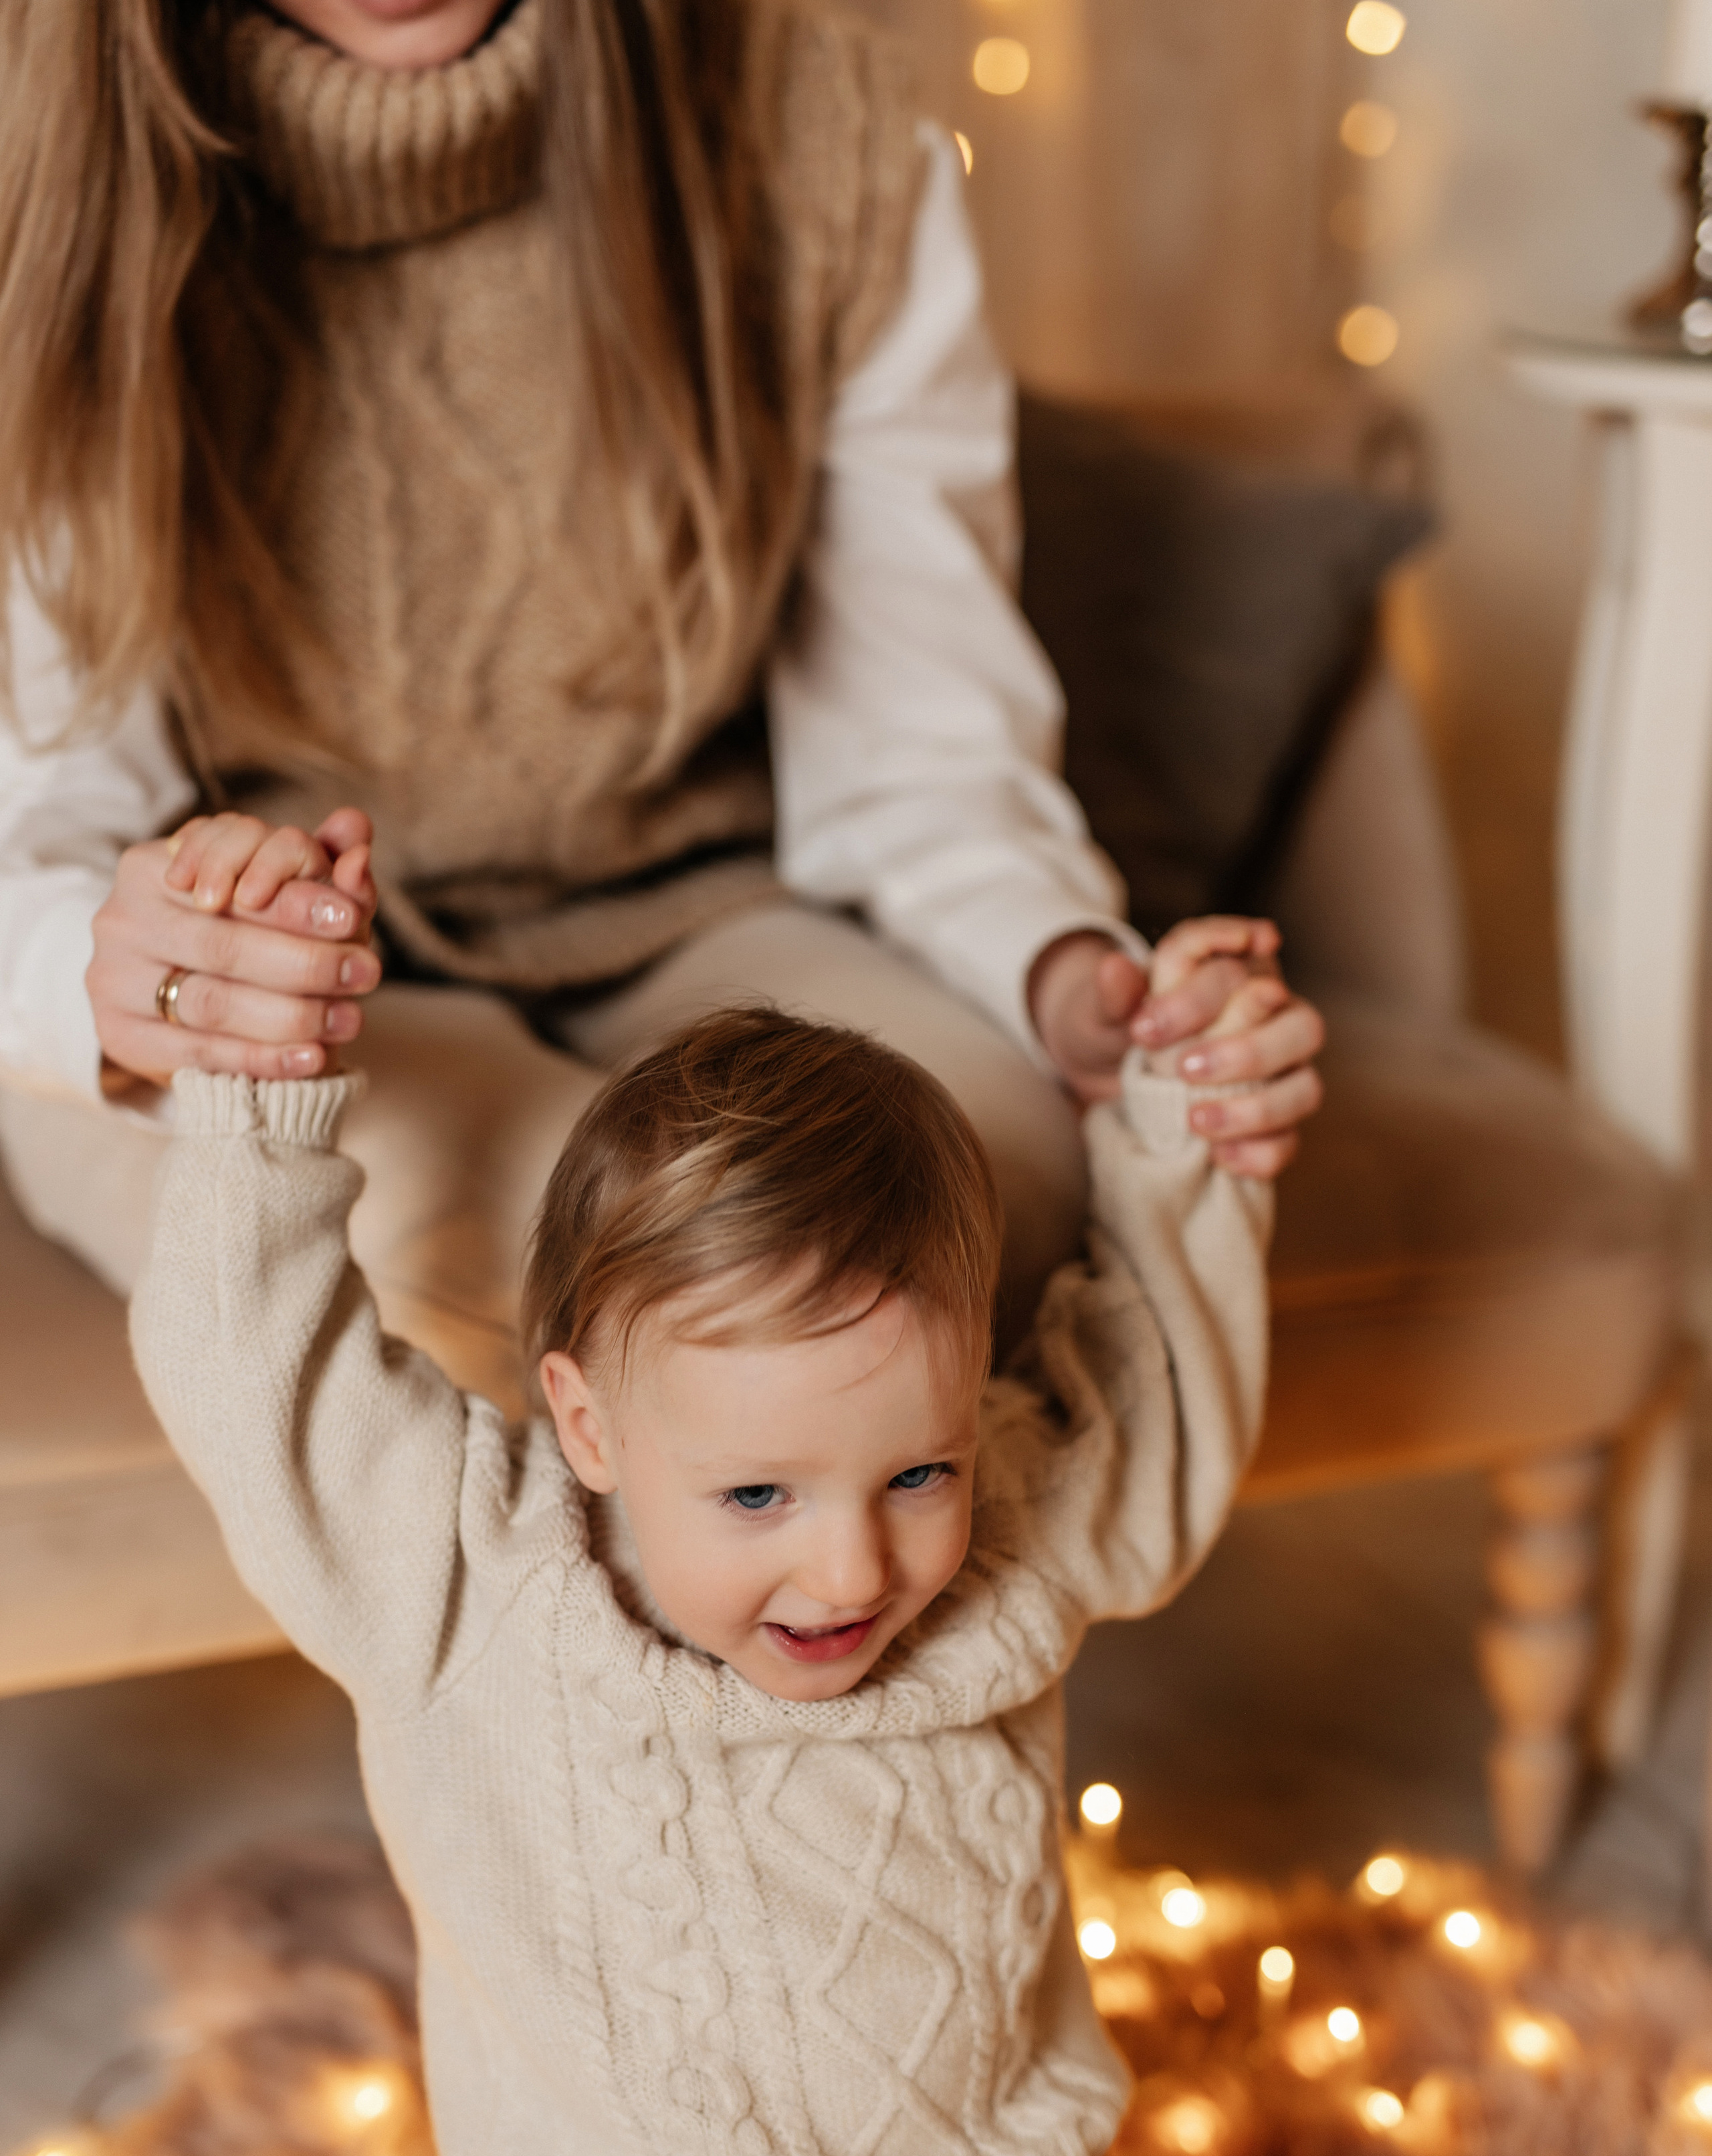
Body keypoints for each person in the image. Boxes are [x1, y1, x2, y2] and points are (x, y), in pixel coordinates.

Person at [131, 993, 1328, 2156]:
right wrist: (251, 1097)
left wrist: (1188, 1135)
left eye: (917, 1472)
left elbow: (1145, 1409)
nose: (850, 1565)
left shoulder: (1017, 1525)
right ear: (588, 1424)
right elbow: (254, 1382)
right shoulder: (465, 1580)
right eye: (755, 1492)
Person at [0, 0, 1323, 1399]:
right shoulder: (39, 143)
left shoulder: (820, 132)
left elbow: (916, 750)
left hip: (696, 908)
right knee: (623, 1282)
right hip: (249, 995)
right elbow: (39, 817)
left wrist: (1059, 980)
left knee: (965, 1184)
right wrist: (145, 986)